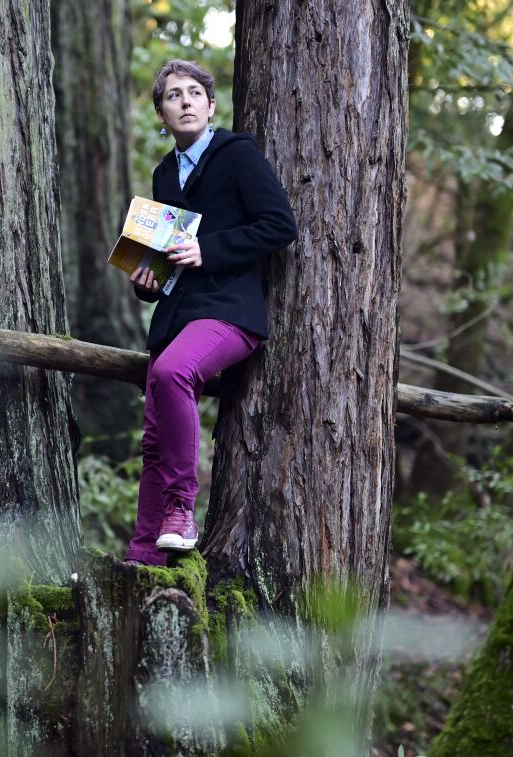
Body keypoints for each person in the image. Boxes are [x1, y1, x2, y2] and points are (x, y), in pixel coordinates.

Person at [124, 60, 297, 567]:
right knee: (154, 441)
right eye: (173, 95)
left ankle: (182, 510)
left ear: (210, 104)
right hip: (176, 316)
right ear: (161, 112)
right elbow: (164, 265)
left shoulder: (237, 153)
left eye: (194, 92)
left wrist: (209, 249)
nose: (185, 101)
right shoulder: (162, 174)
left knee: (173, 370)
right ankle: (143, 556)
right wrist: (146, 283)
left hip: (230, 310)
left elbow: (279, 226)